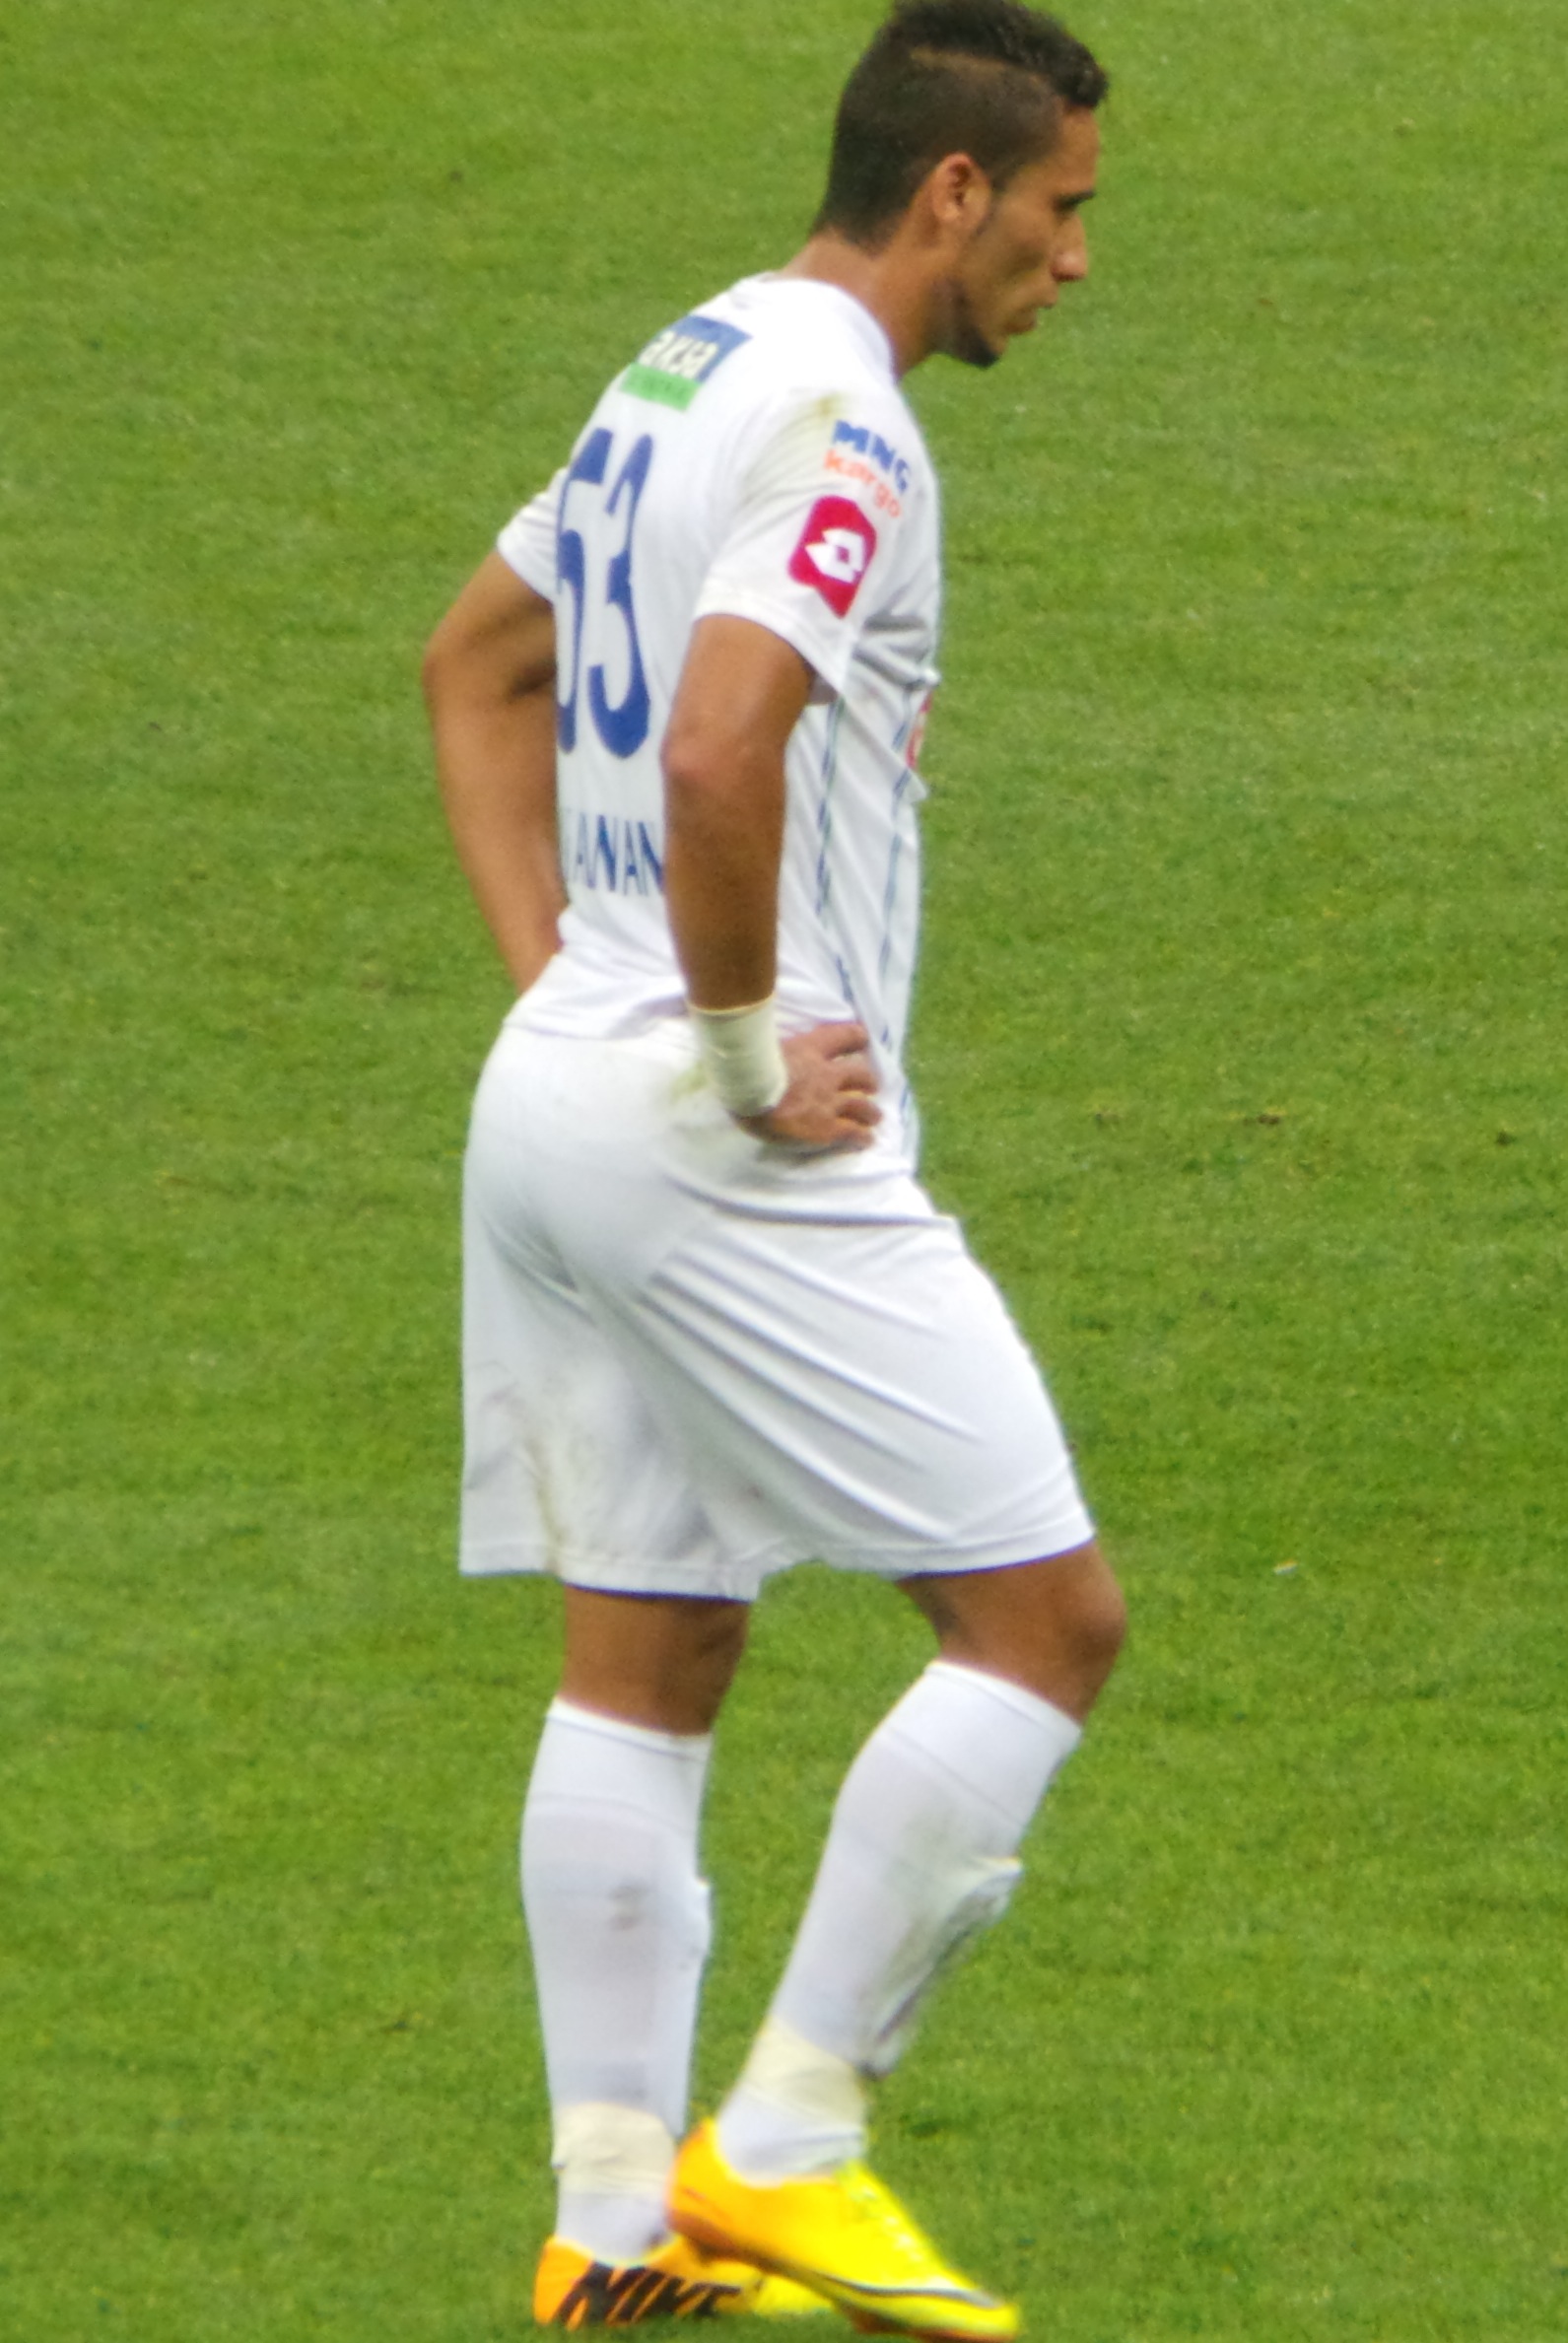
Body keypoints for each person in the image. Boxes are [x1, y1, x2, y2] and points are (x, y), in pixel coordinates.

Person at [423, 3, 1124, 2331]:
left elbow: (474, 664)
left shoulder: (683, 355)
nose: (1071, 259)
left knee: (649, 1643)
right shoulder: (844, 420)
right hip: (723, 1132)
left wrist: (576, 986)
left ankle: (605, 2225)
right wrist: (727, 1051)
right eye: (1060, 210)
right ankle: (789, 2139)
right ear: (953, 190)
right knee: (1042, 1626)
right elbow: (724, 752)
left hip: (557, 1100)